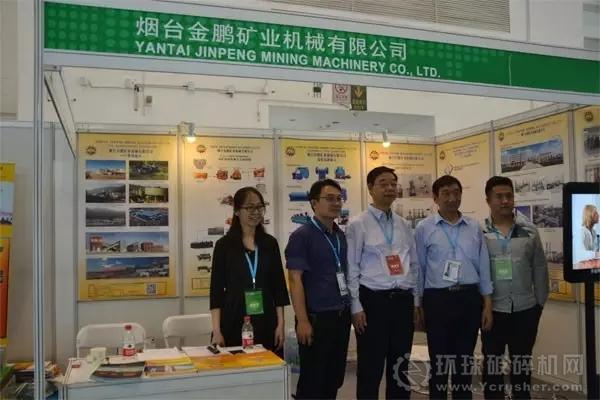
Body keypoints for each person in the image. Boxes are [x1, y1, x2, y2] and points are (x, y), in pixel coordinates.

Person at [346, 166, 422, 399]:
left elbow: (414, 264)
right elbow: (352, 267)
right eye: (383, 183)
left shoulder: (403, 224)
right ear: (370, 188)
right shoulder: (358, 224)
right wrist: (356, 306)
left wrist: (415, 301)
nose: (390, 188)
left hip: (402, 301)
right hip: (373, 302)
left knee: (400, 368)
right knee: (370, 368)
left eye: (393, 184)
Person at [414, 175, 493, 399]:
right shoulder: (424, 228)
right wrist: (417, 304)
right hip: (437, 300)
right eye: (446, 193)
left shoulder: (473, 227)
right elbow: (418, 268)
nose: (452, 198)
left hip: (469, 299)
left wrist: (487, 304)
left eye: (456, 193)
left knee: (464, 363)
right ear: (435, 198)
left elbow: (483, 266)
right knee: (439, 363)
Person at [481, 176, 549, 399]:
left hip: (525, 309)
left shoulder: (529, 230)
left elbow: (540, 268)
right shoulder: (480, 232)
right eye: (499, 196)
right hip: (493, 311)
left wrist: (539, 305)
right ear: (488, 200)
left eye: (509, 196)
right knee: (492, 367)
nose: (505, 201)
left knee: (521, 367)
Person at [285, 179, 351, 399]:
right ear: (314, 203)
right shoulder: (302, 236)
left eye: (339, 199)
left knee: (334, 378)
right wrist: (303, 320)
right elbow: (295, 280)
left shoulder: (340, 235)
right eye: (329, 198)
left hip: (340, 316)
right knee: (313, 380)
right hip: (316, 319)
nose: (336, 203)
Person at [209, 187, 290, 353]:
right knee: (236, 365)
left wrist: (281, 324)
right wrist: (216, 330)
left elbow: (278, 287)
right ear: (237, 211)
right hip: (233, 318)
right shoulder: (224, 245)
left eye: (260, 207)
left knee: (268, 364)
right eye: (249, 207)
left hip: (266, 319)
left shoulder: (270, 244)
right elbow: (216, 291)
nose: (256, 212)